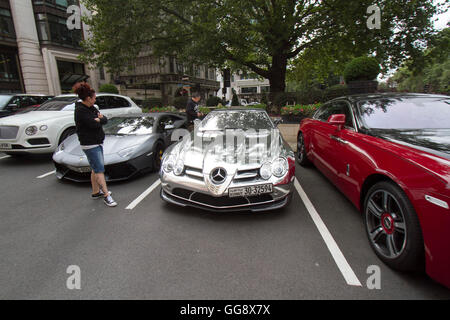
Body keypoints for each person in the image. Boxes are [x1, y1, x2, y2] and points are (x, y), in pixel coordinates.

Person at [73, 82, 117, 207]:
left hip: (96, 142)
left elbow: (104, 119)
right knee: (99, 170)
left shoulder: (91, 108)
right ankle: (106, 195)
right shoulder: (80, 111)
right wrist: (98, 120)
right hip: (90, 144)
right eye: (94, 97)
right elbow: (93, 124)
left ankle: (96, 192)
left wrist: (99, 119)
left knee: (94, 168)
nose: (95, 99)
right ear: (88, 98)